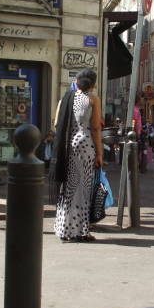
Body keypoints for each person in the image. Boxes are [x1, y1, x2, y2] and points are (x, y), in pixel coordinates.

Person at [52, 68, 103, 243]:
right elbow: (96, 127)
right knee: (83, 188)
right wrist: (100, 153)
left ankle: (64, 228)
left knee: (68, 187)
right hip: (85, 144)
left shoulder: (65, 98)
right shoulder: (93, 99)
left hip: (68, 145)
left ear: (77, 82)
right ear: (93, 84)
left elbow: (57, 123)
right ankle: (81, 231)